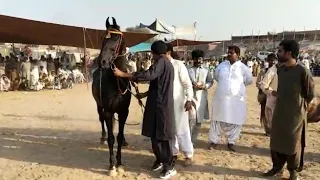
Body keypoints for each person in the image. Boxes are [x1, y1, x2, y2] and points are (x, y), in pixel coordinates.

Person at [113, 40, 176, 179]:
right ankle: (160, 160)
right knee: (155, 135)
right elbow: (156, 83)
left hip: (161, 106)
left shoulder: (162, 62)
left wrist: (123, 75)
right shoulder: (164, 63)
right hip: (156, 104)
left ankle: (169, 166)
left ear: (154, 53)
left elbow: (148, 75)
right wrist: (144, 94)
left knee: (162, 137)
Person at [263, 40, 314, 180]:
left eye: (280, 51)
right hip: (280, 112)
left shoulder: (303, 71)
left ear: (288, 53)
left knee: (293, 143)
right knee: (276, 140)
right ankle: (277, 167)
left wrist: (299, 108)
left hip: (295, 115)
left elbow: (310, 94)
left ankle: (293, 171)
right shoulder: (281, 69)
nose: (277, 53)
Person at [208, 45, 253, 151]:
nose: (228, 54)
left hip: (236, 100)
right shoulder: (221, 66)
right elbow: (216, 77)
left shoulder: (243, 68)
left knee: (235, 120)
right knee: (217, 120)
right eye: (228, 52)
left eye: (231, 53)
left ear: (237, 54)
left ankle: (231, 142)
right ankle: (214, 141)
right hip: (221, 98)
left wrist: (237, 88)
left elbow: (249, 80)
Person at [166, 43, 194, 167]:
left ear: (168, 53)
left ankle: (188, 155)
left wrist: (189, 100)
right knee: (170, 130)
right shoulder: (159, 66)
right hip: (165, 104)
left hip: (179, 103)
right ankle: (173, 153)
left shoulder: (178, 65)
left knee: (182, 130)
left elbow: (187, 84)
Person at [187, 50, 214, 144]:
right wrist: (191, 85)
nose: (199, 60)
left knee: (199, 121)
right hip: (190, 97)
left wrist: (205, 86)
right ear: (193, 59)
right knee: (191, 119)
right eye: (197, 58)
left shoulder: (206, 70)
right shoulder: (188, 69)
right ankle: (187, 141)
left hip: (201, 98)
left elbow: (210, 82)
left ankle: (192, 142)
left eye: (200, 58)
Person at [259, 53, 278, 135]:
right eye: (271, 60)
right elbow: (259, 83)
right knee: (265, 113)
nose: (273, 62)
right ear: (268, 61)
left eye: (274, 60)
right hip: (265, 94)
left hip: (273, 96)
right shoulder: (263, 71)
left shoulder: (278, 70)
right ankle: (268, 130)